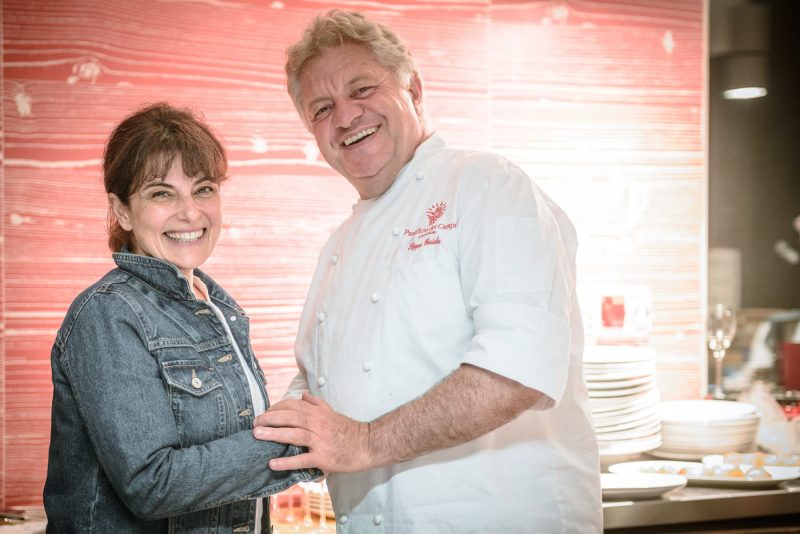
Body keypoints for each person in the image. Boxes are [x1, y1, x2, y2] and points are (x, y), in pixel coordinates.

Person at [253, 9, 602, 533]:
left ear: (413, 89)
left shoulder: (489, 184)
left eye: (362, 89)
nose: (345, 117)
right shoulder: (338, 244)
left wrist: (362, 441)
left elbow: (519, 371)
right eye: (322, 109)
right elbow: (318, 381)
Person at [43, 102, 320, 533]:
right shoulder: (108, 313)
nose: (190, 212)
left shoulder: (217, 308)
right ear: (122, 211)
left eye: (203, 189)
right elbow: (150, 484)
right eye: (161, 193)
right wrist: (306, 446)